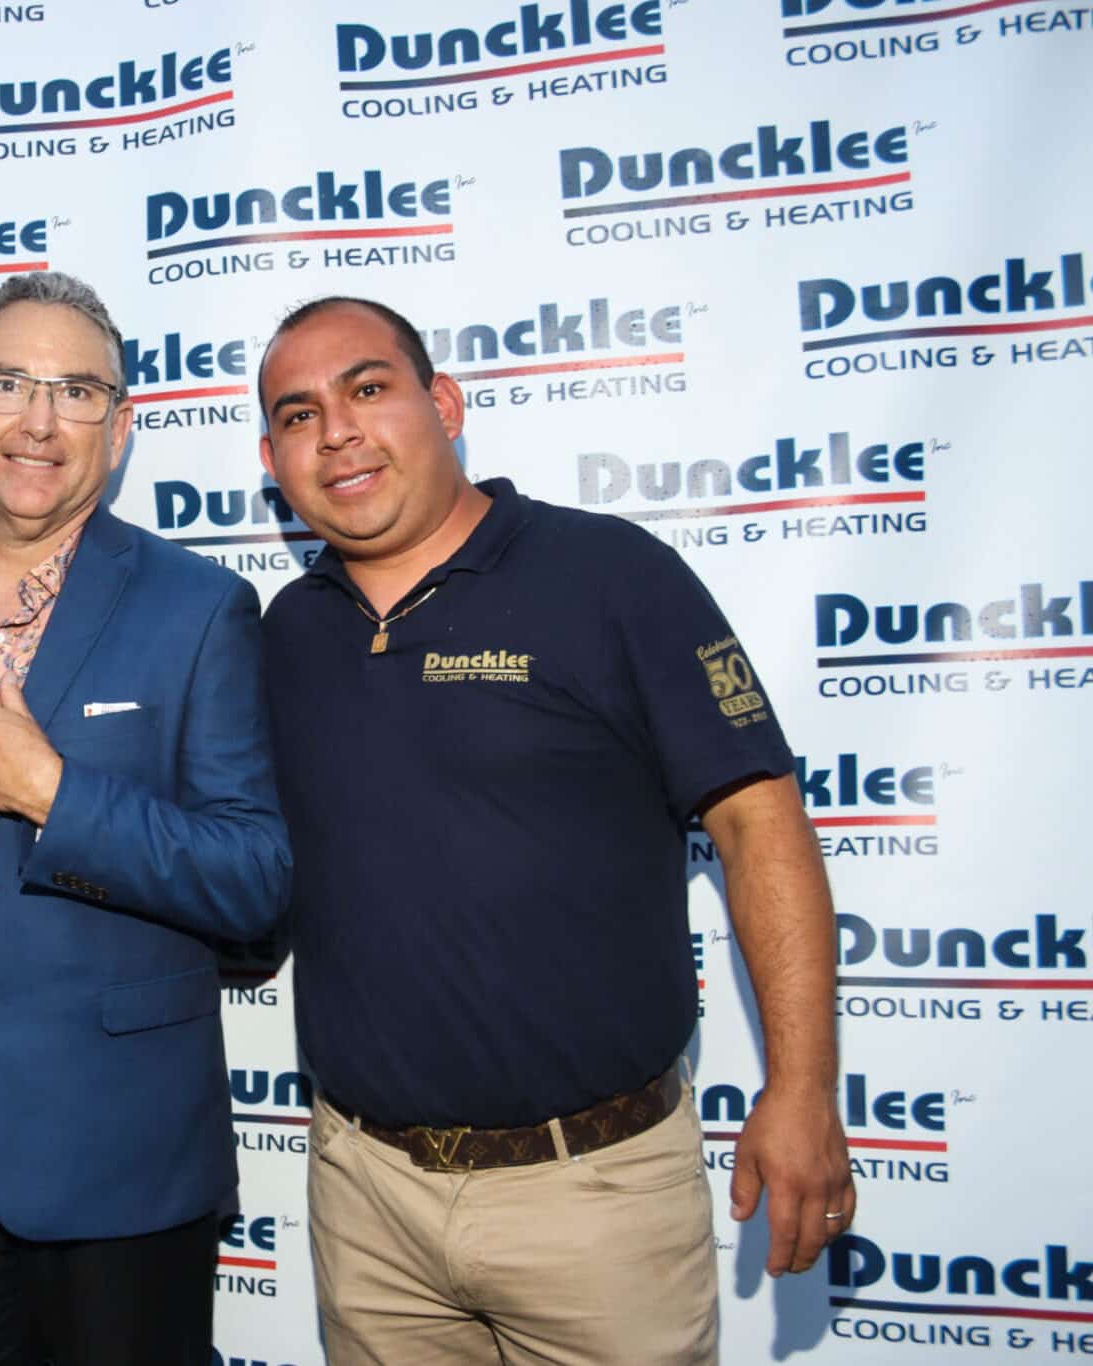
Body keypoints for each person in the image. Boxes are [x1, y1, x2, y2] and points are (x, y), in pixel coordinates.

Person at [254, 296, 852, 1364]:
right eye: (297, 415)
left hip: (595, 1198)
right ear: (272, 458)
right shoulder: (286, 633)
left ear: (442, 402)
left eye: (368, 388)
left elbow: (759, 821)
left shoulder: (608, 575)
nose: (334, 430)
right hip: (364, 1199)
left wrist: (800, 1087)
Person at [0, 271, 290, 1365]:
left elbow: (255, 878)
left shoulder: (198, 606)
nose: (38, 420)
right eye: (6, 384)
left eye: (76, 391)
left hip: (118, 1161)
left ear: (117, 431)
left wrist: (56, 796)